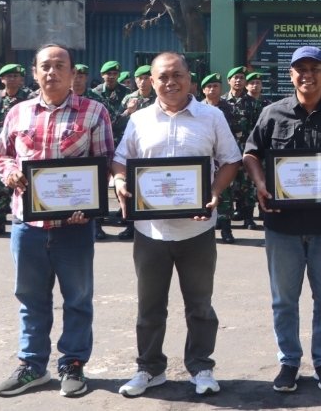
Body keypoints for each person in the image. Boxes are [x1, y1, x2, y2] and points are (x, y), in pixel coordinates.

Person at [112, 52, 242, 398]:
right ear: (151, 82)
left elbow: (231, 160)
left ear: (190, 78)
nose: (170, 82)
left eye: (177, 75)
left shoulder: (211, 116)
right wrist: (121, 182)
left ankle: (200, 366)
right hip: (151, 232)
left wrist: (214, 192)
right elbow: (120, 161)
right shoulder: (139, 119)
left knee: (200, 305)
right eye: (163, 77)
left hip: (196, 230)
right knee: (149, 306)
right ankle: (149, 368)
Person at [243, 46, 321, 394]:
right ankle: (288, 362)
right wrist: (260, 182)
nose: (307, 75)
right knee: (284, 300)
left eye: (314, 68)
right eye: (301, 69)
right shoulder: (273, 114)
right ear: (291, 74)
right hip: (282, 226)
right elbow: (251, 152)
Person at [0, 44, 115, 398]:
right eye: (45, 66)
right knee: (30, 297)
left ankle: (72, 363)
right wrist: (12, 172)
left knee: (77, 298)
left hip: (74, 227)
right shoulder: (17, 113)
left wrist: (87, 204)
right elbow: (2, 154)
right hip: (26, 226)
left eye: (60, 66)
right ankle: (33, 365)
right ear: (34, 72)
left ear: (73, 72)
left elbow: (104, 164)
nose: (52, 72)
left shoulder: (94, 112)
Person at [0, 63, 33, 238]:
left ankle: (26, 219)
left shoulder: (30, 97)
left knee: (24, 183)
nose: (12, 79)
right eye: (9, 76)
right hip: (3, 144)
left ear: (22, 79)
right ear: (2, 79)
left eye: (16, 76)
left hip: (24, 146)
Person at [199, 73, 240, 242]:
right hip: (205, 158)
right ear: (203, 90)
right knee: (203, 191)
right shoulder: (198, 109)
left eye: (215, 86)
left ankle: (226, 229)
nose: (212, 89)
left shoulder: (229, 108)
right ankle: (203, 229)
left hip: (223, 157)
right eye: (209, 86)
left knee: (225, 193)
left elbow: (238, 130)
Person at [224, 66, 261, 231]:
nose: (238, 80)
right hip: (227, 150)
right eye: (235, 77)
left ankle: (248, 218)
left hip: (247, 149)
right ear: (229, 81)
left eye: (241, 78)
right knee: (228, 184)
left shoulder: (253, 103)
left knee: (247, 184)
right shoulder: (222, 102)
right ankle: (226, 218)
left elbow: (258, 127)